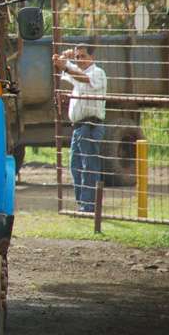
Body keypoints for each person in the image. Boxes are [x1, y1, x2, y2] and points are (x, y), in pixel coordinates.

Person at [53, 44, 107, 213]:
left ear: (92, 58)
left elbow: (82, 78)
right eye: (78, 57)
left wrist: (68, 65)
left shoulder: (97, 73)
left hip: (91, 125)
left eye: (83, 56)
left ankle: (89, 205)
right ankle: (82, 202)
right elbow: (65, 67)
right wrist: (64, 57)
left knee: (89, 166)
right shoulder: (77, 72)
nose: (80, 60)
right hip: (78, 127)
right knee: (75, 166)